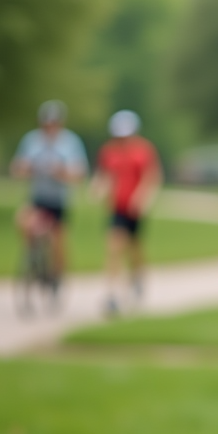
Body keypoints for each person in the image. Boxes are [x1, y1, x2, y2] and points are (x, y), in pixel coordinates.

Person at [90, 109, 162, 316]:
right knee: (114, 248)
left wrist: (141, 198)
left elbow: (151, 177)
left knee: (134, 248)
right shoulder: (109, 151)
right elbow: (103, 175)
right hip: (116, 207)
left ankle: (138, 276)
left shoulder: (144, 150)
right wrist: (97, 189)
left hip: (135, 208)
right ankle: (111, 294)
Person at [10, 100, 88, 286]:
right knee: (22, 221)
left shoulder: (70, 142)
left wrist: (62, 173)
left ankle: (56, 274)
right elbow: (17, 167)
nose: (50, 127)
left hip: (58, 201)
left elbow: (80, 173)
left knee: (57, 239)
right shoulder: (31, 140)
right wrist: (24, 169)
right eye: (47, 123)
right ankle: (33, 257)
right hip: (38, 198)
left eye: (53, 123)